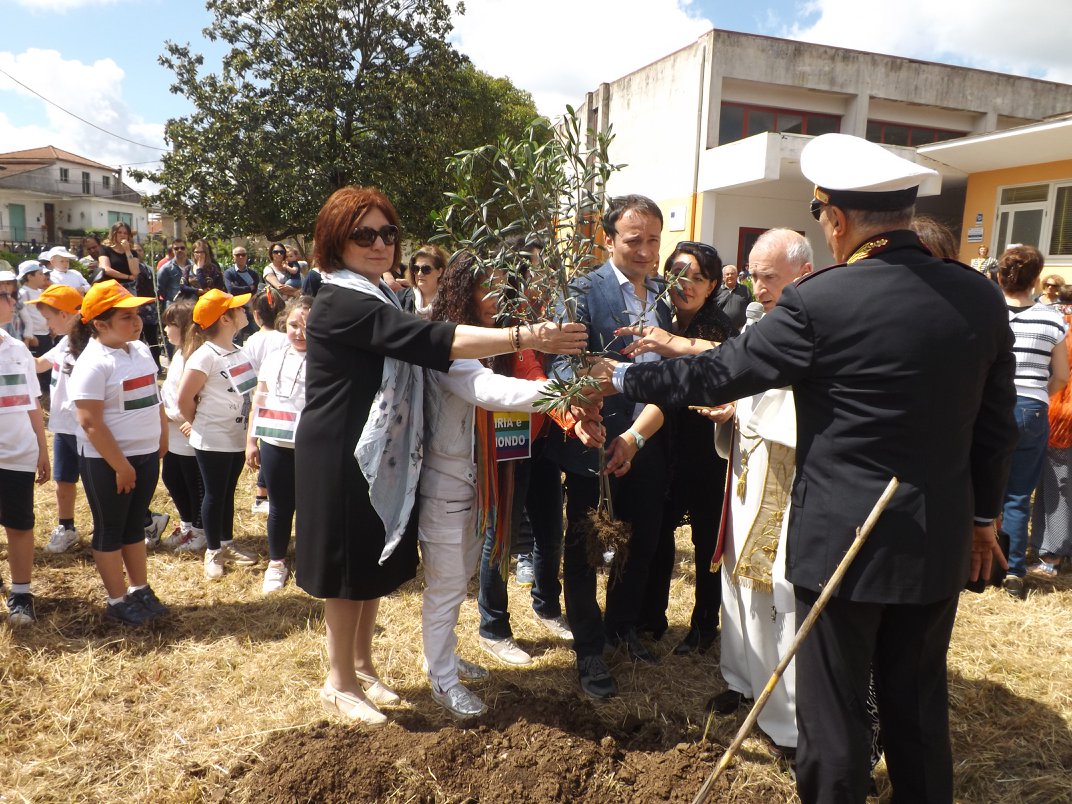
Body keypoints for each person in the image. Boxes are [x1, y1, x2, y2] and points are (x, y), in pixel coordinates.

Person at [586, 133, 1018, 803]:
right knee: (917, 706)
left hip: (843, 542)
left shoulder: (822, 303)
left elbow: (717, 374)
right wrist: (985, 518)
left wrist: (622, 379)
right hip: (936, 538)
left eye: (820, 216)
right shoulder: (978, 297)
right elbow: (997, 428)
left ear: (836, 219)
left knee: (836, 714)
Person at [293, 185, 586, 727]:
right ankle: (339, 681)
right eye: (364, 234)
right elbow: (433, 341)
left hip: (379, 451)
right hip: (340, 453)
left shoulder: (379, 292)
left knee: (372, 562)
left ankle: (362, 667)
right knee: (348, 569)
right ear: (336, 240)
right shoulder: (341, 298)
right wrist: (524, 334)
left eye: (387, 233)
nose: (380, 243)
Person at [543, 193, 673, 699]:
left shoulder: (664, 293)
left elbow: (670, 375)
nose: (645, 251)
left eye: (654, 240)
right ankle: (589, 649)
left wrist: (637, 438)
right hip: (591, 444)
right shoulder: (580, 290)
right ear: (609, 239)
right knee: (583, 549)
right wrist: (579, 410)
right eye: (634, 240)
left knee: (639, 543)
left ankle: (622, 629)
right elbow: (561, 362)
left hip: (645, 440)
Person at [701, 229, 812, 754]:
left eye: (770, 277)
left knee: (770, 587)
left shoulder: (815, 327)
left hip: (782, 475)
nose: (759, 288)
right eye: (754, 276)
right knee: (735, 575)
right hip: (746, 467)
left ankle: (784, 720)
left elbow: (792, 401)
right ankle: (741, 680)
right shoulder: (756, 322)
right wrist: (735, 407)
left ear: (803, 274)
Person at [615, 240, 737, 653]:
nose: (685, 284)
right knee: (657, 533)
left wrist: (670, 343)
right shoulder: (657, 315)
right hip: (661, 444)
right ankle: (652, 617)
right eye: (677, 275)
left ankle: (705, 625)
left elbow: (715, 364)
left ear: (713, 285)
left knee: (705, 541)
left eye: (696, 277)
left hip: (705, 449)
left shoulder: (716, 326)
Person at [67, 280, 169, 625]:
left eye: (137, 314)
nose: (137, 321)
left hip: (144, 455)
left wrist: (162, 435)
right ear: (100, 324)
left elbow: (154, 397)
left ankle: (139, 588)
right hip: (108, 462)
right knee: (110, 528)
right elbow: (90, 422)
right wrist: (121, 465)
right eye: (126, 317)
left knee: (134, 526)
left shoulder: (138, 350)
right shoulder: (93, 363)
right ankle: (116, 599)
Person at [997, 246, 1069, 599]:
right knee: (1018, 495)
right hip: (1032, 407)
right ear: (1037, 279)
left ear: (1000, 276)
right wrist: (1041, 393)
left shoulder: (989, 313)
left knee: (981, 486)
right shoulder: (1053, 319)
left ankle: (978, 557)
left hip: (990, 406)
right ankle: (1012, 569)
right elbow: (1060, 376)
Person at [177, 289, 258, 580]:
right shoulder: (204, 356)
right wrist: (197, 423)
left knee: (227, 492)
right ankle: (212, 551)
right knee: (213, 494)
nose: (244, 311)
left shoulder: (238, 351)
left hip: (235, 435)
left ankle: (226, 543)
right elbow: (184, 399)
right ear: (225, 319)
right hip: (212, 438)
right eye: (238, 309)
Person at [246, 296, 310, 593]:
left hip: (311, 447)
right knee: (280, 507)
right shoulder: (274, 357)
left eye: (307, 327)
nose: (299, 333)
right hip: (275, 443)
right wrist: (251, 441)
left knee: (311, 507)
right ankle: (277, 562)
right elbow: (259, 400)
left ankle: (310, 560)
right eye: (294, 325)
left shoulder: (326, 359)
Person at [0, 277, 50, 625]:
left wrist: (41, 448)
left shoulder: (16, 348)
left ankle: (21, 593)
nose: (13, 301)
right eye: (7, 295)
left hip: (17, 454)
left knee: (19, 525)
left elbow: (32, 402)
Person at [27, 284, 85, 553]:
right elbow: (40, 364)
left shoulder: (88, 345)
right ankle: (67, 526)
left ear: (64, 315)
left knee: (100, 480)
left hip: (86, 427)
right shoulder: (63, 342)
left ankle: (138, 520)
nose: (47, 324)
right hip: (63, 426)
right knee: (64, 479)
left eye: (49, 317)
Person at [158, 300, 206, 553]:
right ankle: (187, 524)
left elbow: (197, 397)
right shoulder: (178, 353)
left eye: (171, 325)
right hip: (173, 432)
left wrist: (185, 418)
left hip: (188, 433)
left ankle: (200, 531)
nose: (166, 330)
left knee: (193, 482)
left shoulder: (195, 356)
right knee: (172, 477)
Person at [1031, 302, 1072, 578]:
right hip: (1062, 415)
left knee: (1056, 486)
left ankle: (1052, 555)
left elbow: (1058, 375)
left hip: (1062, 418)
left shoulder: (1063, 330)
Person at [241, 289, 288, 513]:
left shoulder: (252, 340)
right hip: (279, 399)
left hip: (258, 398)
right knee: (272, 446)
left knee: (264, 446)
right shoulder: (285, 339)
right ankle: (263, 492)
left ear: (256, 314)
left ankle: (262, 492)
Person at [17, 260, 53, 399]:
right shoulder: (23, 293)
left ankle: (47, 391)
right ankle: (37, 395)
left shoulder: (40, 291)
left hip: (46, 333)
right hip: (36, 335)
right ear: (29, 276)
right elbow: (24, 317)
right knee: (36, 365)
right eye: (39, 274)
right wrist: (30, 335)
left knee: (47, 363)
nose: (43, 277)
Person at [223, 245, 261, 342]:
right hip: (236, 308)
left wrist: (239, 289)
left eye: (243, 255)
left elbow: (254, 290)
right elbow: (231, 290)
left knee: (255, 335)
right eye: (238, 255)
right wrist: (248, 288)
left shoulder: (253, 274)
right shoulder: (229, 273)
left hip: (251, 307)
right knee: (236, 337)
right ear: (233, 257)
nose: (241, 257)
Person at [399, 245, 447, 318]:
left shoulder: (451, 300)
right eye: (416, 268)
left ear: (439, 272)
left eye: (426, 269)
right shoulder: (401, 298)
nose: (419, 274)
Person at [95, 221, 141, 286]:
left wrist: (127, 251)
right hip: (111, 286)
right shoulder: (105, 249)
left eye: (125, 233)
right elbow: (105, 269)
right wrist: (128, 277)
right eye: (119, 232)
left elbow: (135, 272)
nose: (122, 235)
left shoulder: (132, 252)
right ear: (114, 234)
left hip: (129, 287)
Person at [157, 239, 194, 307]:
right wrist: (171, 298)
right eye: (176, 248)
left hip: (191, 305)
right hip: (173, 306)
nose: (179, 250)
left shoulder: (193, 266)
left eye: (182, 248)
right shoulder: (166, 268)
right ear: (173, 251)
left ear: (186, 249)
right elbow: (160, 288)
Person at [716, 264, 750, 330]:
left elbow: (750, 308)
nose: (730, 276)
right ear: (723, 277)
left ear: (737, 275)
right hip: (721, 329)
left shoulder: (745, 290)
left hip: (740, 330)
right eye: (727, 274)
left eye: (732, 274)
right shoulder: (717, 291)